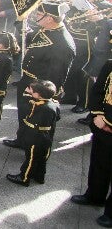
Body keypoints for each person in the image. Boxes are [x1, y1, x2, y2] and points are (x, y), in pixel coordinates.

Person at [3, 1, 75, 149]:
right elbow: (34, 39)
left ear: (50, 18)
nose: (37, 16)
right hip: (29, 80)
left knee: (34, 120)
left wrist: (43, 94)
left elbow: (57, 75)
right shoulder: (47, 29)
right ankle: (22, 139)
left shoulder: (63, 44)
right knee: (24, 114)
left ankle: (30, 149)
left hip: (39, 88)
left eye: (40, 14)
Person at [70, 33, 112, 227]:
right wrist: (97, 114)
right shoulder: (109, 65)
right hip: (103, 124)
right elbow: (98, 91)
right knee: (99, 163)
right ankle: (94, 195)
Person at [5, 79, 60, 187]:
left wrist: (26, 95)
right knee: (42, 158)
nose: (30, 91)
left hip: (35, 137)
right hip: (47, 136)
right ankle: (39, 176)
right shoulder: (54, 103)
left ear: (38, 95)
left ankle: (24, 177)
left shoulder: (39, 106)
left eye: (32, 91)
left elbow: (25, 111)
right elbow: (57, 117)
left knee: (31, 158)